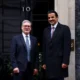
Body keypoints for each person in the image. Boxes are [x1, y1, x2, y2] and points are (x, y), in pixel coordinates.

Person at [42, 10, 71, 80]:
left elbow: (67, 46)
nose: (50, 19)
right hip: (49, 63)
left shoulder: (65, 29)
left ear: (57, 17)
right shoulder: (46, 30)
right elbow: (44, 47)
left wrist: (65, 61)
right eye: (49, 18)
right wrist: (44, 62)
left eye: (52, 17)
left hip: (60, 63)